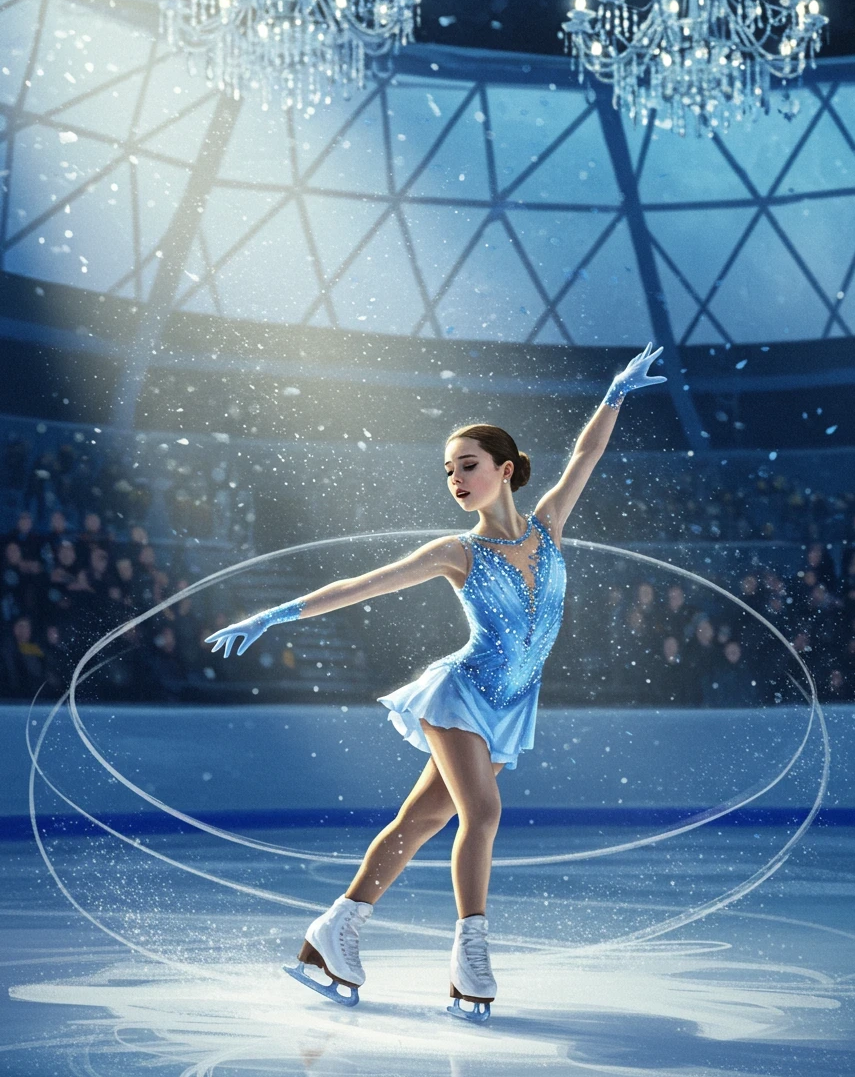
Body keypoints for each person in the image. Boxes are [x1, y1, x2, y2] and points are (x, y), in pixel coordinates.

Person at [206, 344, 666, 1019]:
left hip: (510, 706)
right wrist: (274, 614)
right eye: (449, 470)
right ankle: (471, 953)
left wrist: (615, 394)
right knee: (482, 814)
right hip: (460, 694)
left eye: (469, 466)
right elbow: (365, 584)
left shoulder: (549, 527)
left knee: (421, 820)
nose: (456, 478)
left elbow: (585, 457)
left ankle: (334, 929)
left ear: (505, 471)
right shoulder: (458, 552)